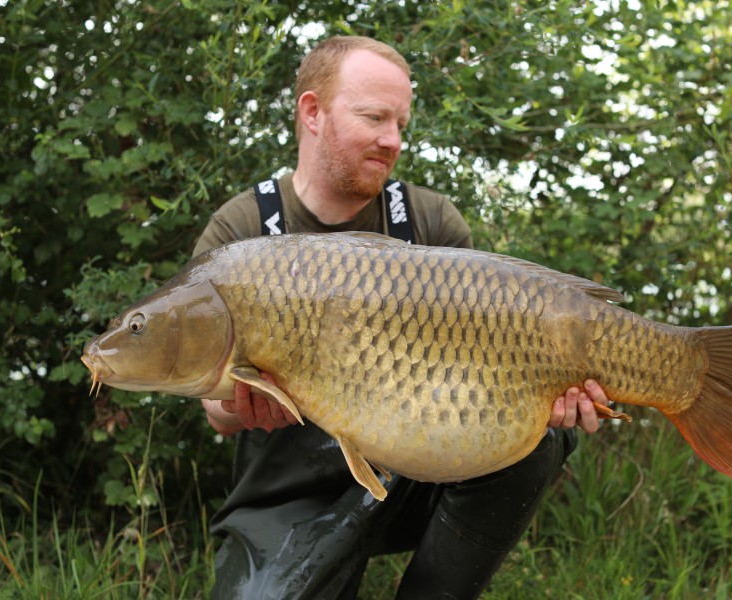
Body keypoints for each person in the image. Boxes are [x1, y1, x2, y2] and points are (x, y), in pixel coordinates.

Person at [195, 36, 612, 599]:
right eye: (374, 117)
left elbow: (491, 370)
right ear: (312, 112)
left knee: (538, 439)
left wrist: (550, 394)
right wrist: (239, 406)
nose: (392, 140)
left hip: (420, 467)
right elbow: (215, 413)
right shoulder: (240, 231)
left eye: (400, 122)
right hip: (289, 490)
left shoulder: (429, 220)